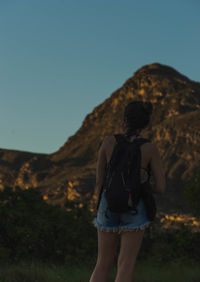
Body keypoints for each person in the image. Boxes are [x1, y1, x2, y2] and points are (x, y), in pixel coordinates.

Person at [89, 100, 166, 282]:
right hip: (134, 206)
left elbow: (100, 182)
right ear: (145, 122)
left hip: (107, 205)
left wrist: (100, 206)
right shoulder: (150, 148)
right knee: (125, 265)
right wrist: (144, 188)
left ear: (125, 119)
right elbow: (161, 188)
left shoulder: (107, 143)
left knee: (102, 263)